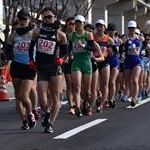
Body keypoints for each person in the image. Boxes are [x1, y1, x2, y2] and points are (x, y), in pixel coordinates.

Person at [29, 7, 68, 133]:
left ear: (54, 18)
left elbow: (65, 52)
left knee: (56, 97)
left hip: (54, 68)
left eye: (50, 17)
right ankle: (47, 111)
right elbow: (31, 48)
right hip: (41, 67)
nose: (47, 19)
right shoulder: (37, 32)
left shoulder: (60, 34)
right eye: (45, 17)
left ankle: (50, 124)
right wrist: (31, 60)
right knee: (42, 98)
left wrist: (62, 59)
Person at [6, 9, 37, 130]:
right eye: (20, 18)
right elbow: (8, 51)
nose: (22, 21)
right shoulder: (13, 35)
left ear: (29, 19)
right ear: (17, 20)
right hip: (16, 66)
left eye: (25, 18)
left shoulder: (34, 33)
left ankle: (30, 114)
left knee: (24, 96)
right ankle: (24, 121)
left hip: (29, 66)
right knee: (18, 97)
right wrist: (9, 56)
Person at [68, 15, 95, 117]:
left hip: (86, 62)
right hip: (77, 62)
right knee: (77, 87)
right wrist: (64, 57)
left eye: (80, 22)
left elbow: (92, 48)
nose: (78, 24)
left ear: (84, 24)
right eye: (76, 22)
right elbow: (69, 48)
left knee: (87, 91)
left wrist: (84, 46)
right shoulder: (71, 35)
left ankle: (86, 103)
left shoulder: (88, 35)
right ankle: (78, 108)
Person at [94, 19, 114, 112]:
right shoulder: (92, 37)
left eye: (101, 26)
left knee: (105, 84)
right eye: (98, 26)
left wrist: (110, 52)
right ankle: (99, 96)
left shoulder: (108, 39)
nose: (99, 28)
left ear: (104, 28)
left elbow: (115, 51)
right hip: (95, 61)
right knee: (96, 85)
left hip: (105, 62)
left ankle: (101, 105)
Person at [123, 20, 142, 106]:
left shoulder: (139, 38)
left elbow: (143, 41)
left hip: (136, 60)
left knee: (134, 80)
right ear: (128, 28)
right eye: (130, 28)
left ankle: (135, 98)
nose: (131, 29)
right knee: (128, 81)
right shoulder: (125, 38)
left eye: (133, 28)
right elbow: (122, 46)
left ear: (135, 29)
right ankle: (131, 94)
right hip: (128, 61)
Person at [107, 23, 122, 108]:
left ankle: (111, 98)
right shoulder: (105, 39)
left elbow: (121, 52)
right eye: (109, 30)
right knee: (105, 82)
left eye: (112, 30)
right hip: (107, 61)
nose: (111, 32)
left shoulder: (118, 40)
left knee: (112, 81)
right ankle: (106, 97)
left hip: (115, 61)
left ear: (115, 31)